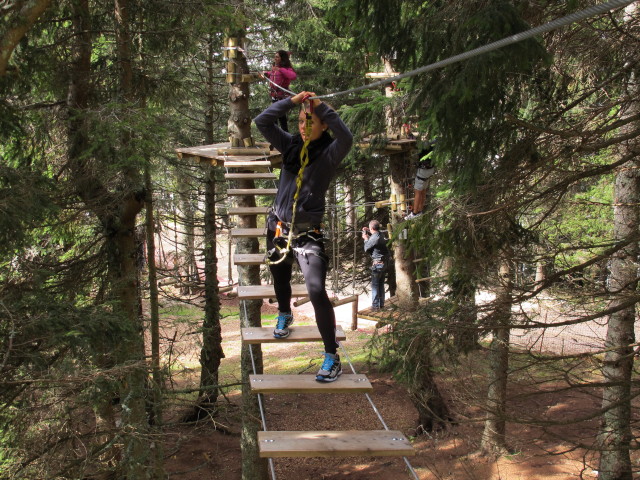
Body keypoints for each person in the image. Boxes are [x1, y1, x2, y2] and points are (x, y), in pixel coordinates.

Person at [254, 90, 353, 382]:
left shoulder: (330, 152)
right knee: (280, 276)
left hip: (307, 234)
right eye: (299, 121)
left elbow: (347, 138)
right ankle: (285, 311)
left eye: (311, 122)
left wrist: (321, 107)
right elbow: (262, 121)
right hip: (278, 227)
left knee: (316, 290)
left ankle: (331, 356)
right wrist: (294, 102)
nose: (303, 126)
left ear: (324, 126)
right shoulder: (289, 145)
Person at [263, 50, 297, 132]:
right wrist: (266, 73)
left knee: (280, 118)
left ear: (282, 58)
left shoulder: (286, 68)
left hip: (281, 97)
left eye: (277, 57)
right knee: (276, 118)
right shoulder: (275, 68)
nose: (275, 58)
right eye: (275, 57)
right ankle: (278, 138)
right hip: (274, 96)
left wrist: (280, 69)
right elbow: (272, 75)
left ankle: (283, 138)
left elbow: (293, 76)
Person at [362, 220, 390, 311]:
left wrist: (365, 238)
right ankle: (381, 304)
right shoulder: (380, 234)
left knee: (375, 285)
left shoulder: (374, 238)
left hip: (378, 264)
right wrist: (368, 231)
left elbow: (366, 248)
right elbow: (374, 240)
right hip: (384, 263)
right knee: (380, 284)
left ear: (372, 228)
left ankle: (375, 306)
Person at [404, 144, 435, 220]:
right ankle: (420, 210)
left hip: (423, 172)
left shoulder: (424, 148)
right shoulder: (432, 148)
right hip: (430, 170)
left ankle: (414, 213)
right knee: (423, 190)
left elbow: (417, 154)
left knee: (417, 192)